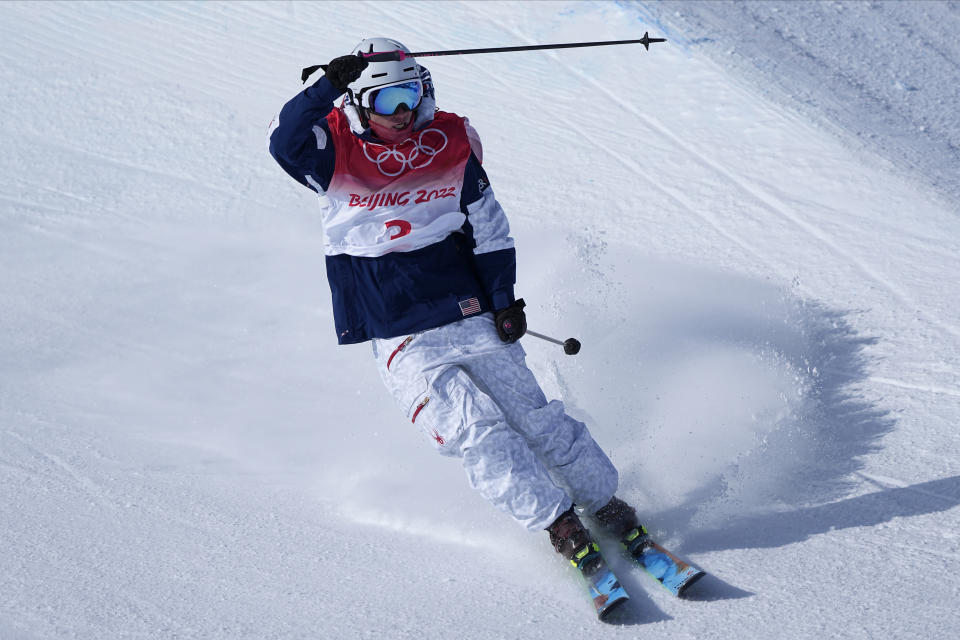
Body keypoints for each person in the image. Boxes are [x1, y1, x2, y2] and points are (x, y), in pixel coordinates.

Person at [268, 37, 645, 570]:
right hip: (399, 329)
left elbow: (489, 228)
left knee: (533, 417)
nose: (400, 114)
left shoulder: (453, 142)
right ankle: (558, 524)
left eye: (406, 96)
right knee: (477, 432)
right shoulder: (335, 153)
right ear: (360, 105)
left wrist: (503, 301)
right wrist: (328, 85)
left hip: (465, 308)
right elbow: (284, 142)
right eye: (383, 102)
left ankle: (606, 502)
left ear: (423, 90)